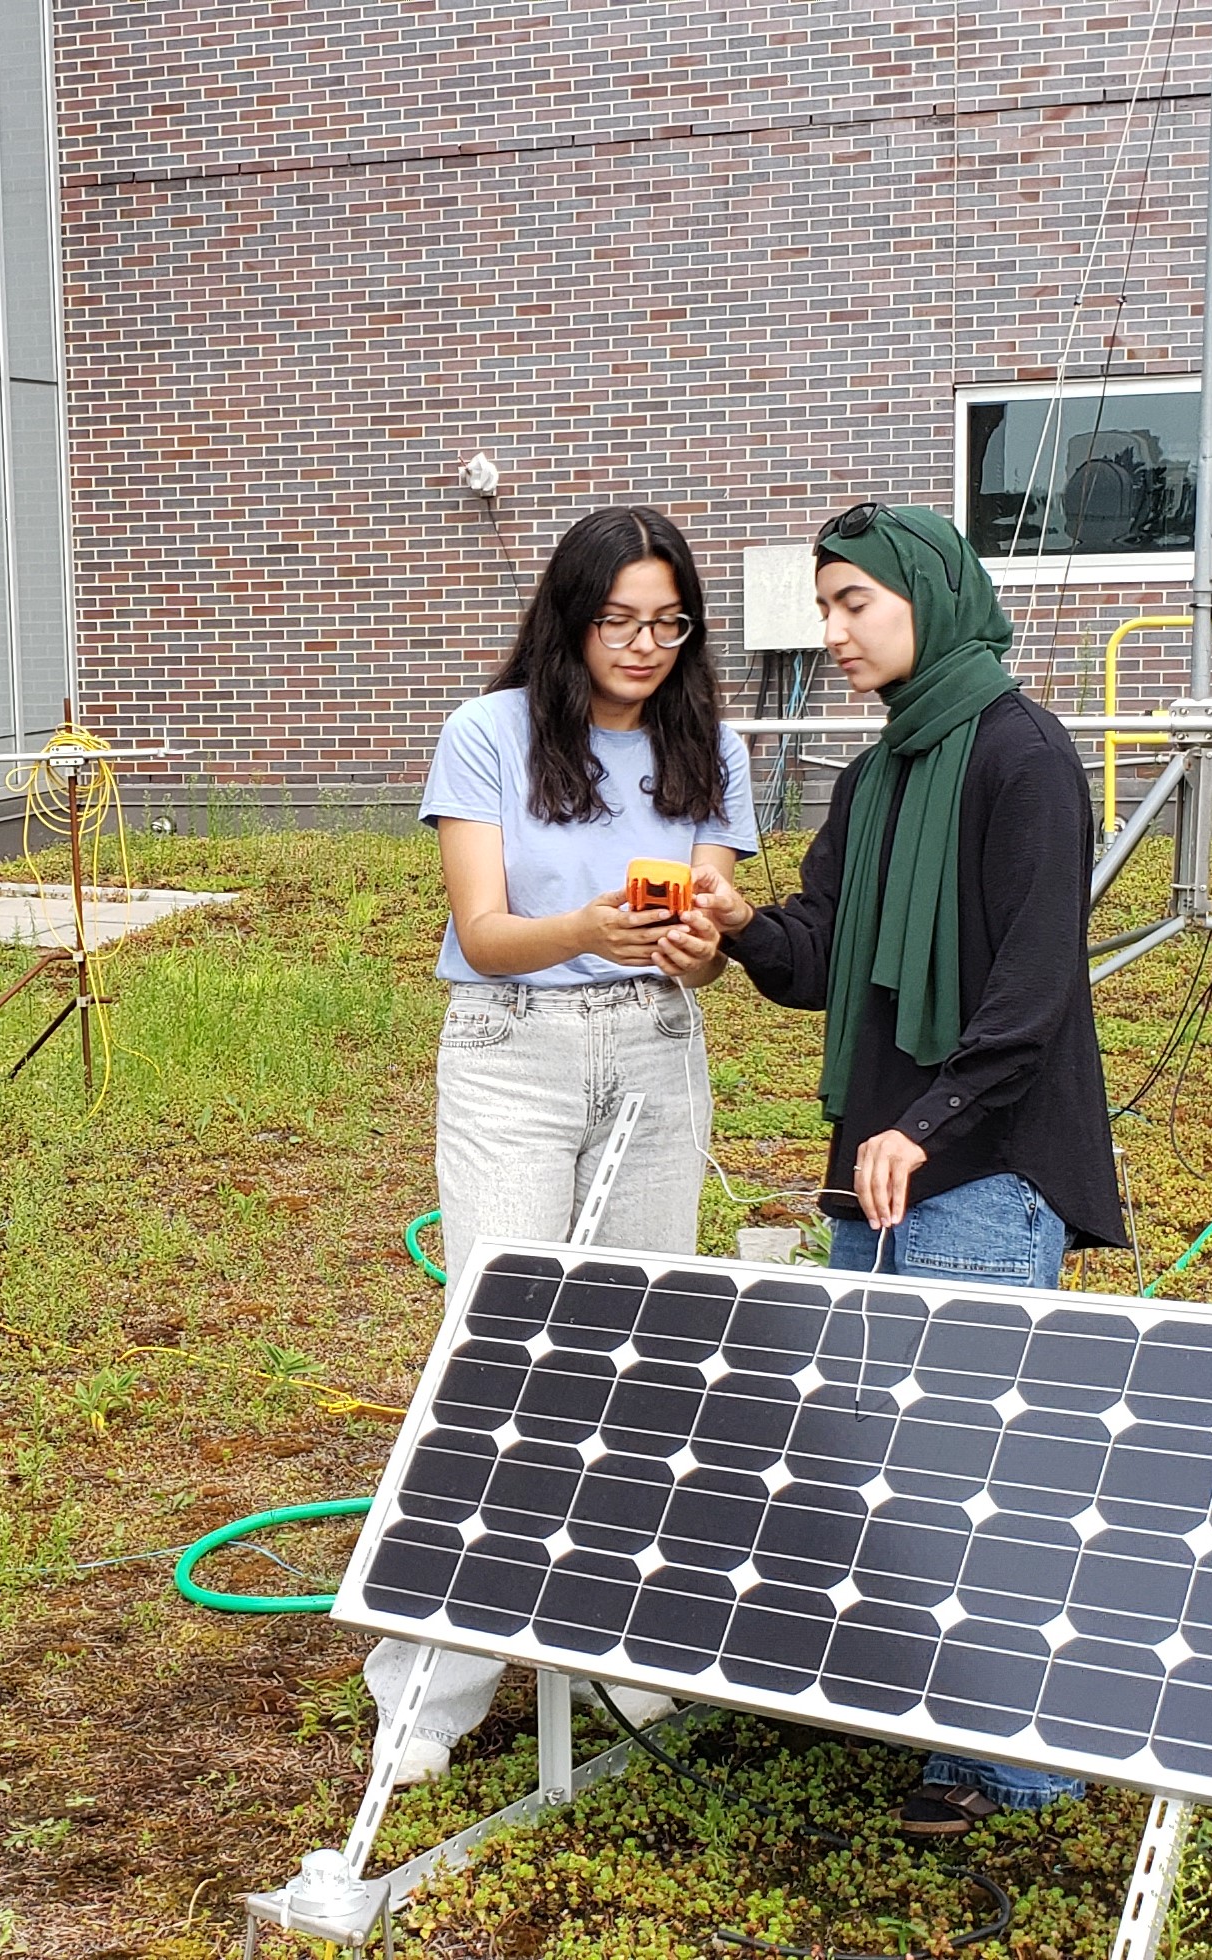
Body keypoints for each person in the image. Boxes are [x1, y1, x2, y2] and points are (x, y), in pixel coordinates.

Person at [674, 500, 1130, 1834]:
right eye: (822, 607)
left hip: (985, 1171)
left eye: (854, 603)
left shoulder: (1022, 754)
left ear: (928, 596)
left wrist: (925, 1126)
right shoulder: (875, 779)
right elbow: (820, 953)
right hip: (875, 1169)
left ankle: (1022, 1768)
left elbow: (1033, 990)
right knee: (896, 1461)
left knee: (980, 1464)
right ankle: (942, 1722)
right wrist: (745, 925)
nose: (833, 630)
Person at [369, 504, 756, 1787]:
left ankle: (622, 1650)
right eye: (619, 621)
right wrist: (587, 925)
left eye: (667, 622)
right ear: (570, 617)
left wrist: (703, 935)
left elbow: (707, 911)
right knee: (504, 1350)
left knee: (649, 1350)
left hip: (653, 1042)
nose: (644, 645)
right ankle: (427, 1687)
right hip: (511, 1048)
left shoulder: (712, 743)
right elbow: (482, 933)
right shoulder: (485, 735)